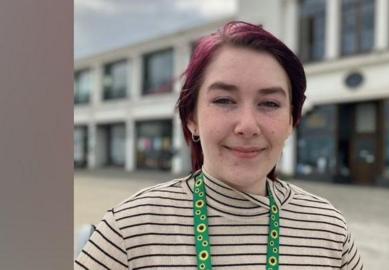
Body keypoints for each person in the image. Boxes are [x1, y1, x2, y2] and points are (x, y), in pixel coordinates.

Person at [75, 21, 363, 270]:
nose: (247, 126)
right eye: (224, 100)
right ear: (191, 119)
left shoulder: (327, 227)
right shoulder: (131, 229)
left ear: (291, 121)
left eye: (270, 103)